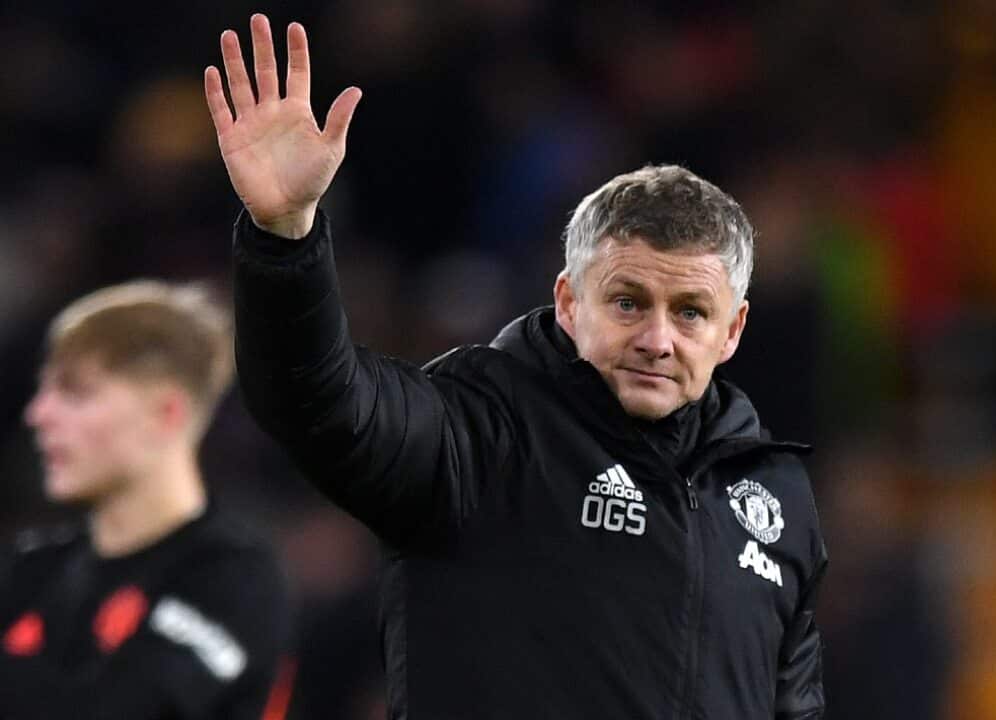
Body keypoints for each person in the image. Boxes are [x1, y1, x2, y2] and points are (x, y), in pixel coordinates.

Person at [207, 13, 827, 719]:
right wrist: (285, 239)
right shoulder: (482, 430)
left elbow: (794, 705)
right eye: (628, 303)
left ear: (732, 330)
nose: (659, 338)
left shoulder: (773, 496)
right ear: (568, 302)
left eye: (690, 312)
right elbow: (321, 402)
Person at [0, 280, 292, 720]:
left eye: (76, 393)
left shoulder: (234, 580)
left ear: (165, 414)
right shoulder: (33, 570)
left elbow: (127, 709)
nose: (38, 414)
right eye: (43, 391)